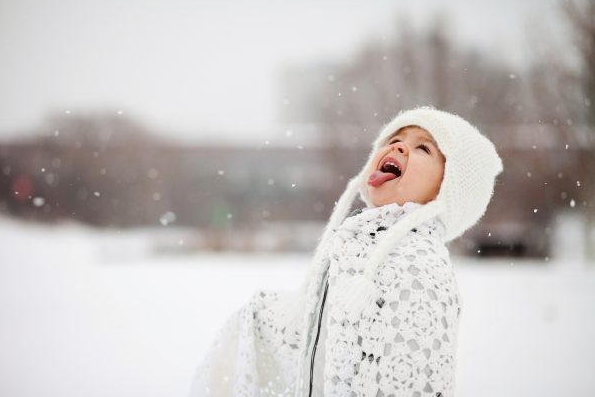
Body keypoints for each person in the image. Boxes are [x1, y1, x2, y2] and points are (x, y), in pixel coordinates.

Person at [189, 106, 503, 397]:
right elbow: (319, 338)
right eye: (394, 139)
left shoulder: (419, 264)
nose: (397, 147)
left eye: (424, 148)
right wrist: (266, 316)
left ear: (448, 190)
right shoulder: (354, 244)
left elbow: (412, 378)